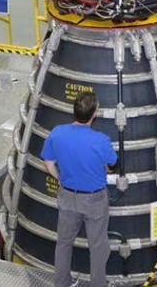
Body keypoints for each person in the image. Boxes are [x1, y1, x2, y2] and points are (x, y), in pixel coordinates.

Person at [41, 91, 117, 287]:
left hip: (67, 196)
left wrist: (59, 178)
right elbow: (111, 165)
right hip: (94, 200)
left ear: (73, 110)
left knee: (64, 243)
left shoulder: (57, 133)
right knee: (98, 246)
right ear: (94, 114)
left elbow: (48, 162)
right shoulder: (101, 140)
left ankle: (62, 283)